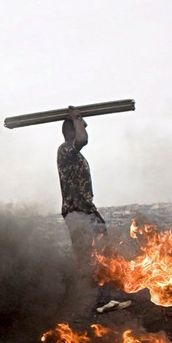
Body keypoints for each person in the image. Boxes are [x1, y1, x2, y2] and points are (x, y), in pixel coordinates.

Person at [57, 107, 107, 269]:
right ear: (71, 131)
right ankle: (86, 291)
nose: (84, 127)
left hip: (86, 211)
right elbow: (82, 140)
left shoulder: (74, 154)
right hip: (77, 212)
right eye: (80, 125)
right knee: (87, 258)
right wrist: (76, 117)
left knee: (103, 253)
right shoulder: (65, 149)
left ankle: (103, 289)